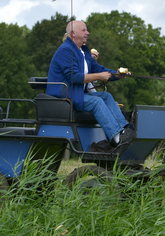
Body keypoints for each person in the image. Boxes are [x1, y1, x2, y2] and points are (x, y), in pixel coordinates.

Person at [46, 20, 133, 150]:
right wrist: (100, 76)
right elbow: (75, 77)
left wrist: (117, 74)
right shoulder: (65, 51)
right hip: (65, 95)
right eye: (84, 30)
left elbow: (98, 69)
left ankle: (125, 130)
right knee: (96, 102)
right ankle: (116, 138)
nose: (87, 32)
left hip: (78, 93)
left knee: (106, 96)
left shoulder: (83, 52)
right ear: (73, 33)